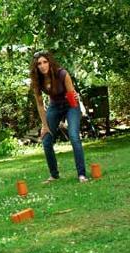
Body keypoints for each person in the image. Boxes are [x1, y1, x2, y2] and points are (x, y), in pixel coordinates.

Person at [30, 51, 88, 183]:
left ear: (50, 63)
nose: (43, 65)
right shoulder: (37, 81)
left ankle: (82, 175)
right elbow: (40, 105)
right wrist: (45, 126)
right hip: (54, 106)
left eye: (45, 62)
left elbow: (71, 94)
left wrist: (77, 102)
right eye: (39, 63)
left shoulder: (62, 74)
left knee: (73, 136)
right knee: (46, 139)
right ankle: (54, 175)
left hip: (70, 105)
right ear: (36, 67)